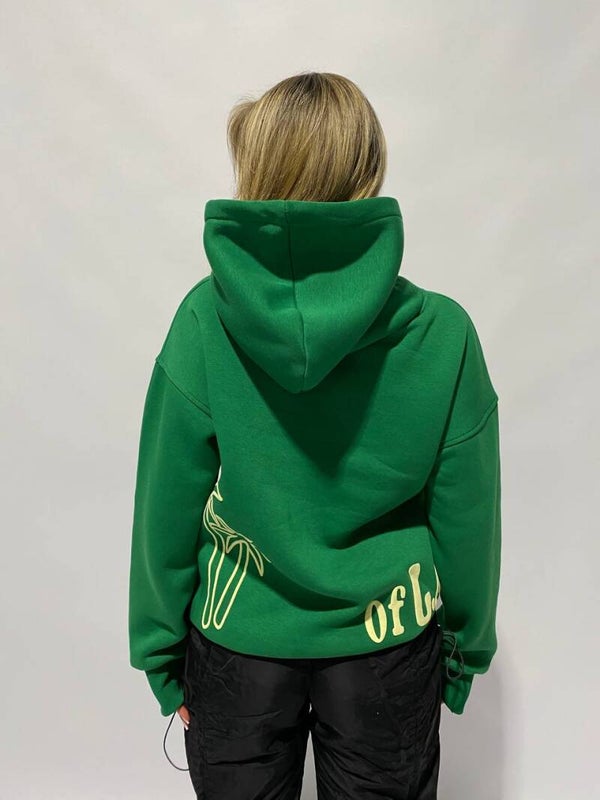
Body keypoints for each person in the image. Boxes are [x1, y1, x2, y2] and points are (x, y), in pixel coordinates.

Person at [128, 71, 502, 800]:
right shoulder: (442, 334)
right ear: (369, 169)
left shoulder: (204, 320)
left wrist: (160, 652)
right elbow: (468, 517)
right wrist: (462, 653)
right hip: (386, 645)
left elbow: (164, 504)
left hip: (236, 645)